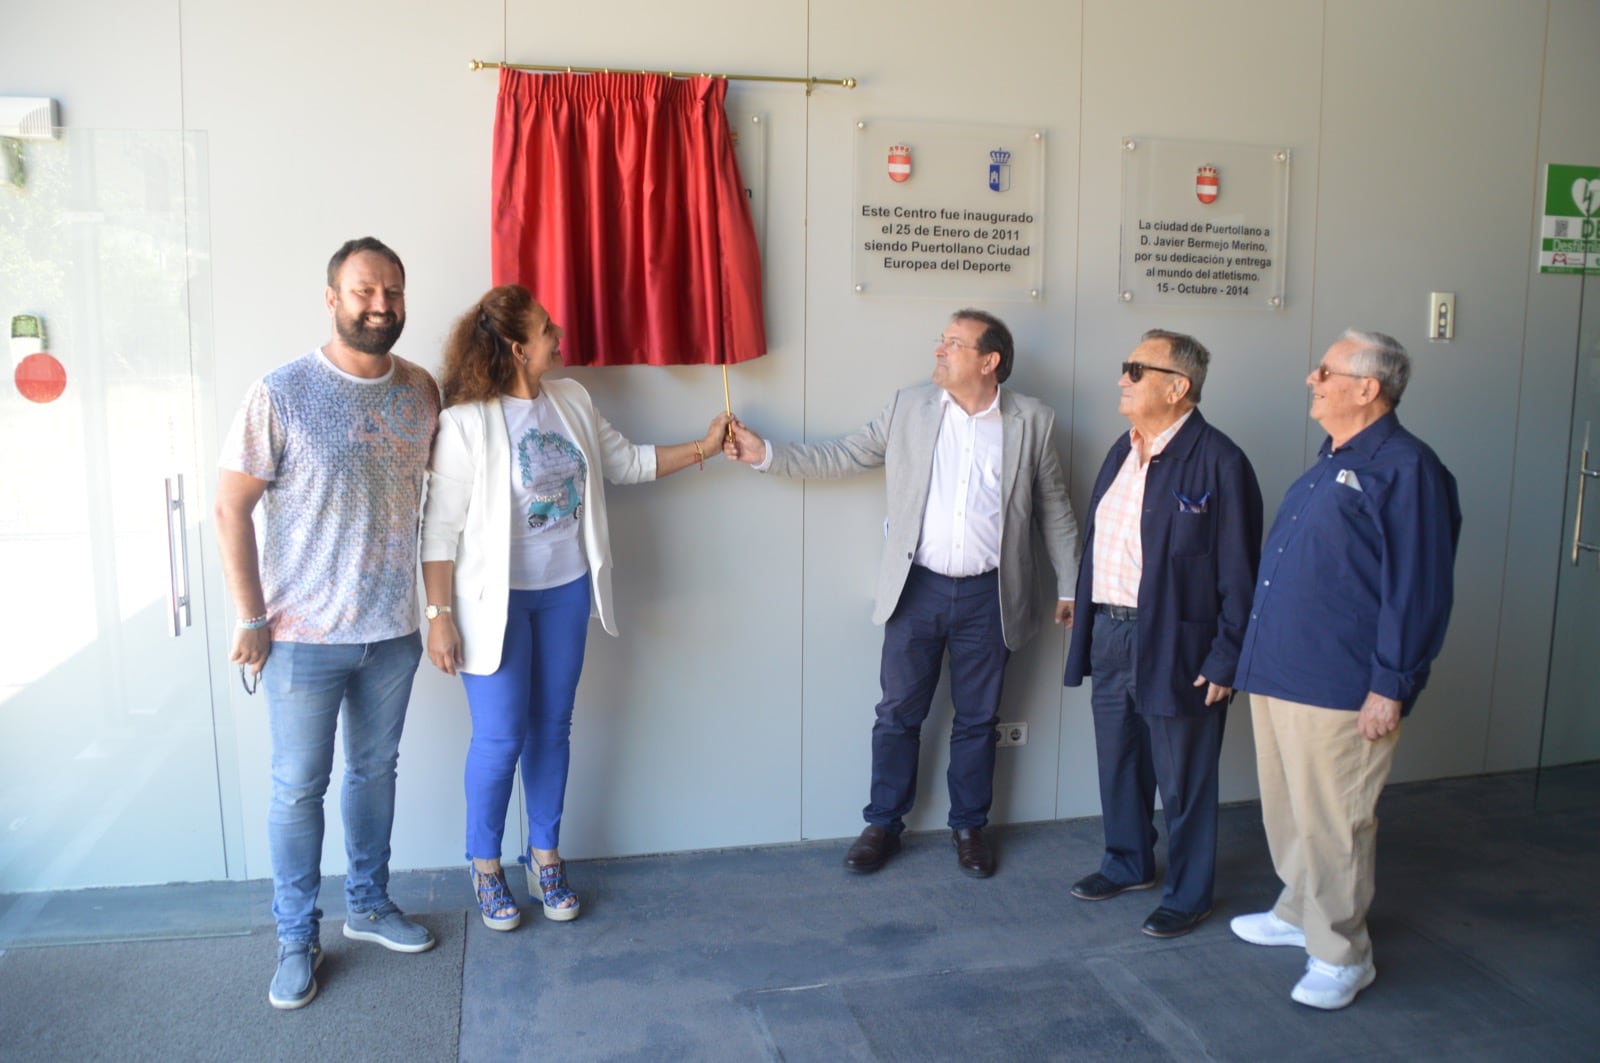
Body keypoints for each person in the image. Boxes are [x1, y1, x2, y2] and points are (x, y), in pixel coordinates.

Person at [419, 283, 731, 932]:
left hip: (565, 594)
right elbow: (439, 531)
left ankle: (546, 856)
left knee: (552, 729)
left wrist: (704, 447)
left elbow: (627, 463)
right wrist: (438, 614)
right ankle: (484, 866)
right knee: (500, 738)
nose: (558, 336)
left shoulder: (573, 401)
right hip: (491, 608)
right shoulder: (469, 422)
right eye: (546, 329)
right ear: (516, 347)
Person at [725, 309, 1079, 878]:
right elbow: (843, 455)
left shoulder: (1032, 421)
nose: (939, 351)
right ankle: (883, 824)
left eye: (954, 344)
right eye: (941, 341)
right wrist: (766, 453)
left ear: (989, 362)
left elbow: (1054, 508)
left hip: (993, 597)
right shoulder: (908, 407)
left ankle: (969, 827)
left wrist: (1070, 584)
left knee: (978, 719)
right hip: (917, 592)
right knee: (897, 714)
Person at [215, 237, 442, 1011]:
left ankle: (370, 905)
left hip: (391, 632)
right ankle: (294, 935)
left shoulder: (421, 391)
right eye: (365, 292)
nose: (382, 305)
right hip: (302, 638)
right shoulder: (281, 392)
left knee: (375, 773)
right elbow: (230, 506)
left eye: (394, 293)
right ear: (332, 297)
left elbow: (444, 504)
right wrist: (250, 614)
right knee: (296, 788)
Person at [1230, 329, 1460, 1009]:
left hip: (1341, 683)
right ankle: (1299, 908)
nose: (1312, 378)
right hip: (1281, 671)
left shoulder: (1407, 468)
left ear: (1367, 388)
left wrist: (1391, 684)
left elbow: (1417, 588)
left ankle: (1342, 952)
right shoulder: (1334, 458)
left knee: (1337, 819)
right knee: (1292, 808)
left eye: (1325, 370)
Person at [1062, 330, 1262, 939]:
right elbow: (1104, 546)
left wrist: (1227, 659)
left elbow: (1241, 574)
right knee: (1119, 762)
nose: (1122, 378)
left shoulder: (1221, 461)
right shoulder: (1121, 452)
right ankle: (1127, 863)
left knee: (1185, 778)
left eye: (1136, 368)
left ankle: (1189, 893)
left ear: (1179, 387)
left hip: (1181, 645)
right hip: (1112, 634)